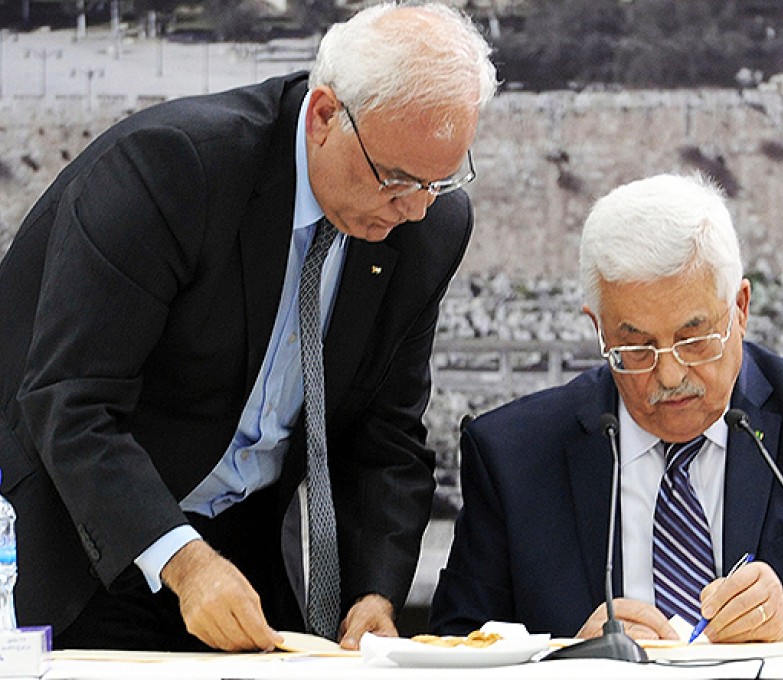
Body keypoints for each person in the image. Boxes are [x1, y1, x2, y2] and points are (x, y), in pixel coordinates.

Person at [0, 2, 496, 653]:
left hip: (242, 554)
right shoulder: (175, 169)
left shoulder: (430, 225)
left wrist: (375, 595)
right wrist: (183, 562)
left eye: (440, 179)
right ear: (323, 117)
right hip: (79, 540)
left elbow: (387, 434)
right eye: (396, 178)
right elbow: (71, 402)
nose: (413, 209)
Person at [430, 173, 783, 643]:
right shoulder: (512, 455)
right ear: (599, 329)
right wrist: (567, 661)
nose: (669, 376)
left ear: (741, 308)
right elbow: (458, 643)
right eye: (638, 348)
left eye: (694, 339)